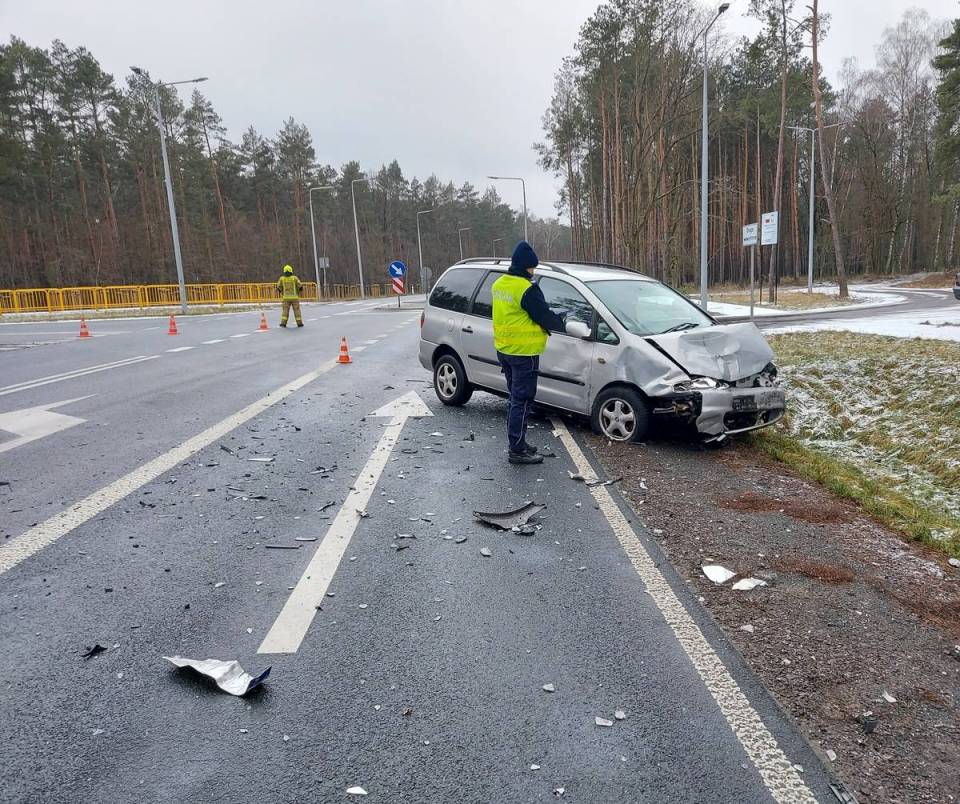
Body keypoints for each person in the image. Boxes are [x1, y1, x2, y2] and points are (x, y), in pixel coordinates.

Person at [491, 241, 567, 465]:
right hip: (524, 353)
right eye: (532, 267)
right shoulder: (527, 288)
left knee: (515, 399)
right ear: (526, 266)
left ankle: (519, 443)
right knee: (521, 401)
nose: (533, 271)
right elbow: (542, 316)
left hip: (504, 350)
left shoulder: (499, 284)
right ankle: (517, 450)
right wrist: (562, 322)